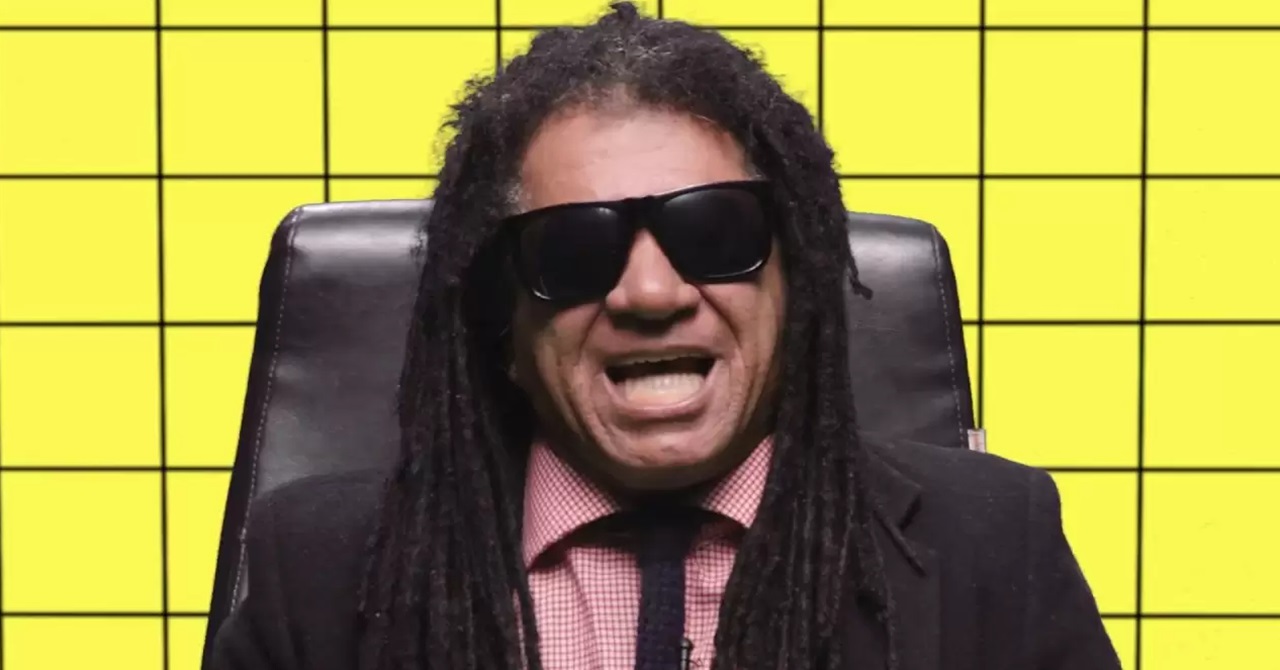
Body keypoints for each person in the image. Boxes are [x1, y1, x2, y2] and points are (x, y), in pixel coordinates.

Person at [208, 4, 1120, 669]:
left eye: (715, 232)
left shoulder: (993, 541)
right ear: (504, 323)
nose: (651, 292)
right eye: (575, 248)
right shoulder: (314, 569)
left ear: (795, 288)